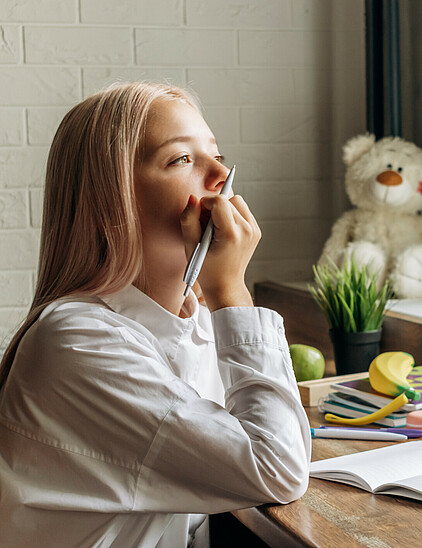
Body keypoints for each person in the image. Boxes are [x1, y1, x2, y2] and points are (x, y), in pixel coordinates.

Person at [0, 82, 311, 546]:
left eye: (217, 154)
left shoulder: (196, 321)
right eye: (182, 159)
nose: (221, 174)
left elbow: (283, 444)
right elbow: (276, 468)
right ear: (113, 200)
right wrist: (229, 289)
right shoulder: (76, 342)